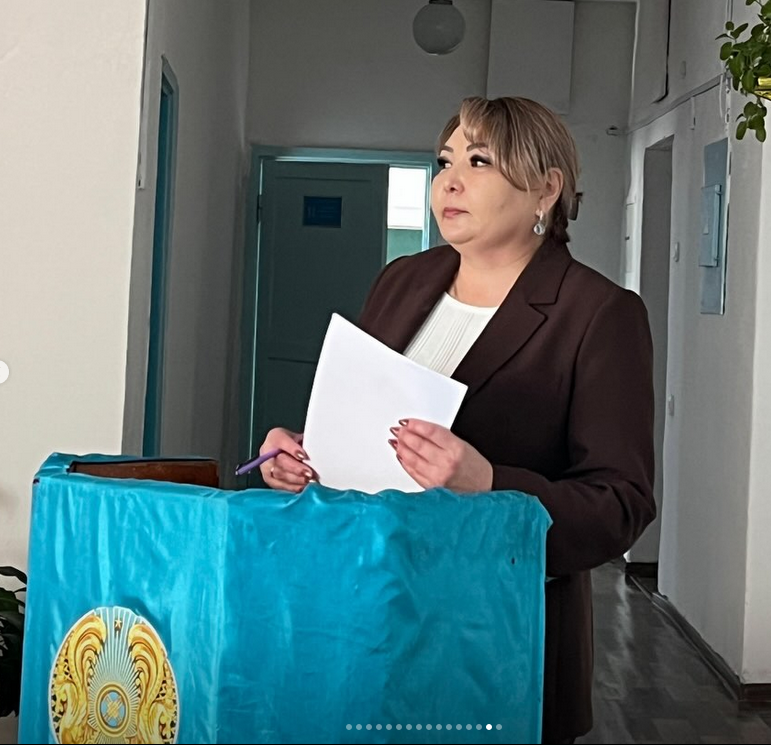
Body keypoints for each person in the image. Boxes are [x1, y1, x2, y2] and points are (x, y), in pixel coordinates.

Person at [259, 96, 656, 744]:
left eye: (479, 161)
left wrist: (488, 483)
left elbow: (621, 503)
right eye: (445, 161)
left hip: (495, 638)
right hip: (364, 611)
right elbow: (371, 430)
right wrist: (306, 454)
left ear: (546, 190)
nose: (449, 181)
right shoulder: (402, 280)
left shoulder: (599, 313)